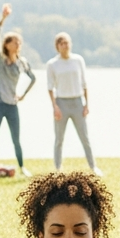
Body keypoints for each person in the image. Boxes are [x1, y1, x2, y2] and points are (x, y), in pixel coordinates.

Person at [0, 2, 35, 178]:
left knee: (16, 140)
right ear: (7, 44)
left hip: (12, 105)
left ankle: (22, 168)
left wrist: (23, 95)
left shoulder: (22, 62)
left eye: (19, 41)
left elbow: (33, 78)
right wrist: (2, 20)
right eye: (15, 41)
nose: (18, 43)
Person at [46, 32, 99, 174]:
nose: (65, 46)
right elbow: (50, 87)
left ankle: (93, 167)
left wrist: (86, 104)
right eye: (62, 43)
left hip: (77, 102)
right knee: (59, 139)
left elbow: (84, 83)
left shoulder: (78, 60)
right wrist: (55, 107)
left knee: (84, 137)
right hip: (61, 103)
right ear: (57, 46)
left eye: (67, 43)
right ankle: (57, 169)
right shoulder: (52, 64)